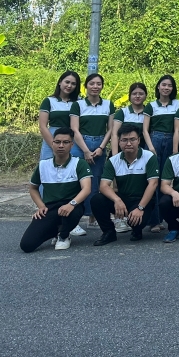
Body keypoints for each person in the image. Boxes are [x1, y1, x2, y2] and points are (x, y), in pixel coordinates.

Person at [20, 129, 92, 252]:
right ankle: (56, 231)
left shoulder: (79, 163)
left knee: (72, 212)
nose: (61, 145)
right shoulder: (43, 165)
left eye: (65, 142)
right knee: (27, 245)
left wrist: (71, 204)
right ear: (52, 143)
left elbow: (87, 189)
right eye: (57, 142)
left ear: (72, 145)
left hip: (72, 205)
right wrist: (41, 206)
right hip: (50, 207)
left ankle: (63, 236)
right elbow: (33, 188)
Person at [91, 128, 160, 245]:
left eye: (132, 139)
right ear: (119, 142)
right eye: (124, 140)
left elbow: (153, 184)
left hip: (142, 200)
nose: (128, 143)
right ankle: (109, 232)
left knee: (136, 222)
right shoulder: (113, 160)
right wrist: (117, 200)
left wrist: (140, 208)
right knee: (97, 200)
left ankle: (137, 230)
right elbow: (103, 186)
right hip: (123, 199)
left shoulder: (149, 157)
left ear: (139, 140)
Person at [69, 72, 114, 231]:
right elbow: (74, 129)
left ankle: (93, 217)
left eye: (98, 84)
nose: (95, 86)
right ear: (86, 86)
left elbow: (111, 129)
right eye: (92, 83)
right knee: (76, 182)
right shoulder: (78, 105)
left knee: (96, 181)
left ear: (102, 86)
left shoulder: (108, 104)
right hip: (80, 144)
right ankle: (72, 220)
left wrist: (101, 147)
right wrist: (86, 151)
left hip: (99, 144)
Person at [141, 75, 179, 231]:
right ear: (158, 86)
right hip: (154, 140)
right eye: (163, 85)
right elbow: (145, 130)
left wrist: (175, 149)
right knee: (153, 180)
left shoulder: (177, 104)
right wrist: (150, 147)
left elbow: (178, 129)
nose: (166, 88)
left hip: (171, 141)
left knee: (167, 180)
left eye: (169, 85)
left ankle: (168, 218)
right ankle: (154, 221)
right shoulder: (151, 106)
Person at [38, 71, 81, 162]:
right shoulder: (49, 101)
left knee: (71, 166)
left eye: (73, 84)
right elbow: (42, 126)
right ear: (60, 82)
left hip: (72, 139)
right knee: (48, 166)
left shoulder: (79, 102)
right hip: (52, 137)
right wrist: (54, 145)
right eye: (67, 82)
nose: (69, 86)